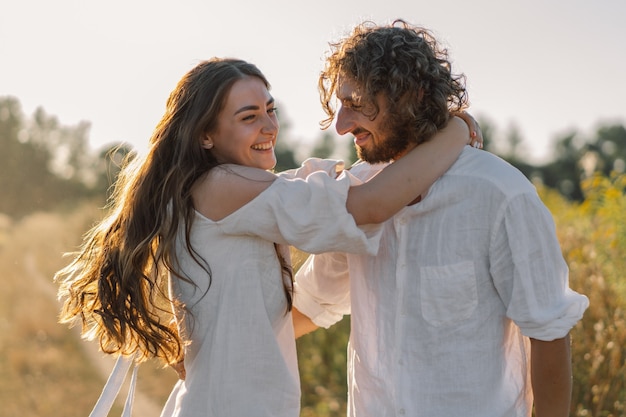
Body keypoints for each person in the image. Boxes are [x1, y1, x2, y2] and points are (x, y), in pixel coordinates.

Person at [54, 57, 480, 417]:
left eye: (270, 110)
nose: (268, 126)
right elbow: (369, 205)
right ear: (206, 135)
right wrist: (457, 131)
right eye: (248, 117)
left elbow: (337, 192)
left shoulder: (230, 191)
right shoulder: (222, 187)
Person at [292, 20, 589, 417]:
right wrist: (213, 351)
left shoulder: (500, 194)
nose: (342, 126)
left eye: (357, 102)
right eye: (339, 105)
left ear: (411, 96)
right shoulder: (356, 194)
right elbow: (311, 303)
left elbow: (548, 329)